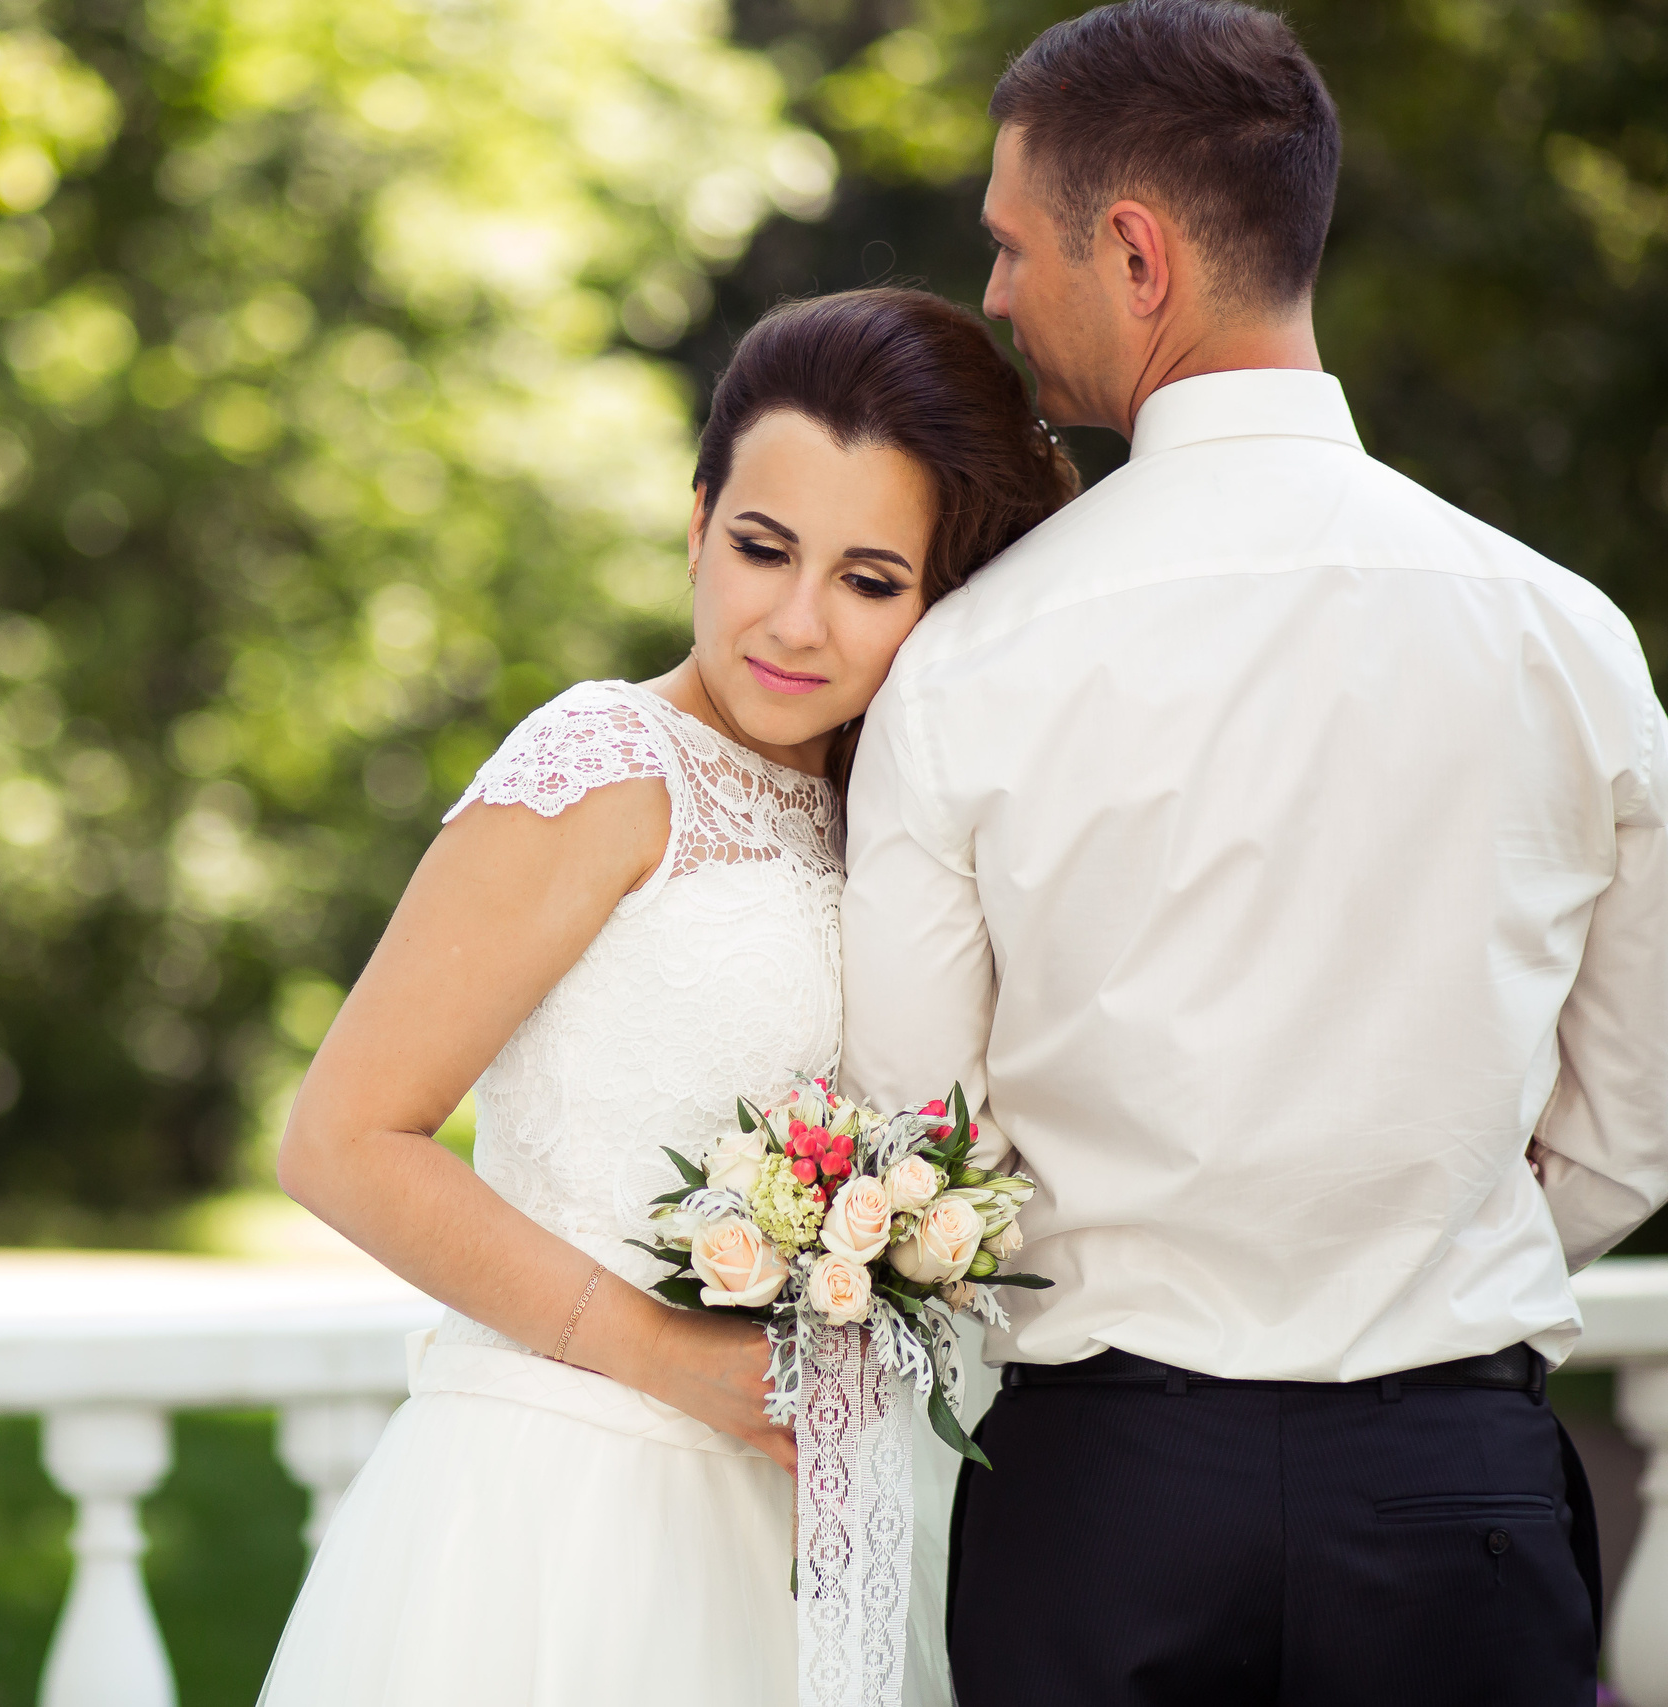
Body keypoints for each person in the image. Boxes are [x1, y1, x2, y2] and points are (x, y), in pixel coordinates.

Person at [839, 3, 1668, 1702]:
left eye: (1010, 244)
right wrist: (1413, 1249)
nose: (993, 292)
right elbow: (1627, 1125)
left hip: (1104, 1509)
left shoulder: (976, 657)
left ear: (1135, 254)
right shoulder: (1566, 635)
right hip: (1461, 1497)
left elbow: (918, 1119)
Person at [258, 287, 1076, 1707]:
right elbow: (340, 1140)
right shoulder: (603, 764)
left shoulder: (891, 815)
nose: (796, 621)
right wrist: (679, 1363)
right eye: (763, 548)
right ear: (697, 522)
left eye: (871, 580)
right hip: (572, 1510)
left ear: (940, 602)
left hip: (824, 1525)